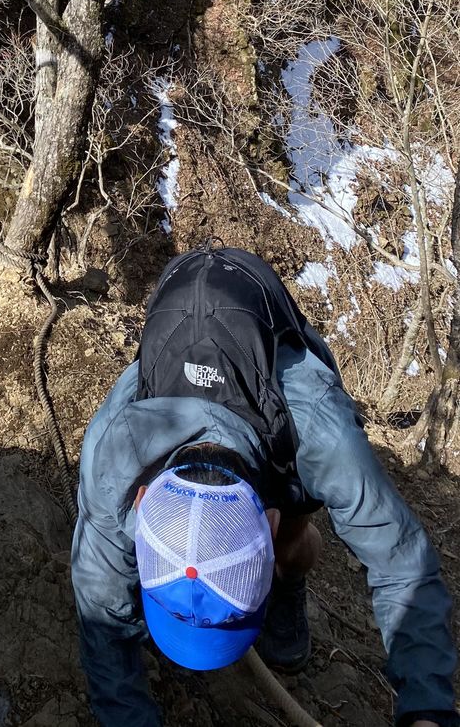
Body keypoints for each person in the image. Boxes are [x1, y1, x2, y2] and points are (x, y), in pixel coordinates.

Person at [71, 244, 457, 727]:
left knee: (300, 545)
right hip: (180, 336)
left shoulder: (319, 431)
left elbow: (401, 559)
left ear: (269, 520)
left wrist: (428, 708)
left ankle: (286, 587)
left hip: (273, 381)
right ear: (142, 499)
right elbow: (99, 602)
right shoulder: (116, 449)